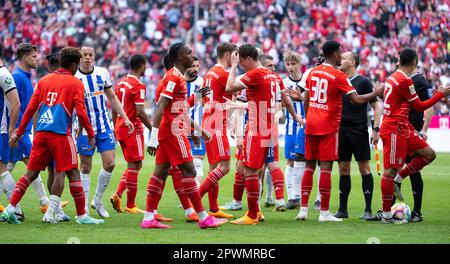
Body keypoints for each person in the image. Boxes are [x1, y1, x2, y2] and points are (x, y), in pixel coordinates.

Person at [2, 47, 104, 225]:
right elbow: (81, 111)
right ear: (73, 65)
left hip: (41, 134)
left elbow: (31, 109)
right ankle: (80, 215)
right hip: (61, 135)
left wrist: (19, 131)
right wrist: (91, 133)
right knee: (71, 173)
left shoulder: (44, 80)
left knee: (30, 174)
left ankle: (11, 209)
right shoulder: (75, 83)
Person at [296, 40, 382, 222]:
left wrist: (308, 116)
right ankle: (324, 213)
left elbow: (307, 98)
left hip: (311, 124)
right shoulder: (338, 76)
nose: (341, 56)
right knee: (326, 167)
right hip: (328, 126)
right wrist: (377, 92)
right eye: (340, 53)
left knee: (309, 166)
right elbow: (357, 100)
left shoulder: (312, 72)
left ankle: (303, 210)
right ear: (335, 54)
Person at [143, 42, 226, 229]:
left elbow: (177, 108)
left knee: (161, 173)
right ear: (180, 57)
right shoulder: (174, 78)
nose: (192, 55)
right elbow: (161, 107)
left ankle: (148, 218)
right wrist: (153, 139)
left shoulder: (174, 77)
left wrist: (195, 124)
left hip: (172, 129)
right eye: (189, 53)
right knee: (190, 171)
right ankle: (204, 218)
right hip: (172, 131)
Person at [225, 44, 303, 225]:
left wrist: (233, 66)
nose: (242, 65)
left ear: (248, 59)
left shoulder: (255, 74)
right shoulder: (275, 76)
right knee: (261, 167)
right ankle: (258, 211)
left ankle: (252, 214)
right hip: (270, 128)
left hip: (256, 128)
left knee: (249, 170)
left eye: (242, 62)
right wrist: (295, 116)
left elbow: (229, 87)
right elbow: (287, 100)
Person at [378, 48, 450, 224]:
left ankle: (400, 177)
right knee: (388, 172)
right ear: (414, 62)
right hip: (394, 128)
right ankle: (387, 215)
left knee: (429, 154)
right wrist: (442, 93)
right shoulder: (403, 80)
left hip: (404, 126)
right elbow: (419, 106)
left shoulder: (392, 77)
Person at [75, 46, 133, 218]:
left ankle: (97, 201)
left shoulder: (102, 73)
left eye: (90, 55)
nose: (87, 58)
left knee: (110, 163)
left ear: (94, 56)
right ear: (79, 58)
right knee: (85, 167)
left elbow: (112, 97)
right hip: (84, 128)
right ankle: (84, 207)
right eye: (84, 55)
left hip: (104, 125)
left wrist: (125, 117)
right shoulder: (75, 78)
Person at [334, 51, 382, 220]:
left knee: (364, 168)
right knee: (343, 169)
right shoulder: (337, 79)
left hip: (359, 130)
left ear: (352, 62)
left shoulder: (362, 82)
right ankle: (342, 210)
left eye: (344, 58)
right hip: (340, 131)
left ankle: (368, 209)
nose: (341, 60)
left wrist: (376, 129)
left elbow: (377, 106)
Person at [8, 43, 52, 214]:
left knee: (8, 166)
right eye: (34, 57)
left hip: (22, 130)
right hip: (20, 131)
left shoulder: (25, 76)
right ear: (25, 57)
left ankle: (43, 202)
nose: (37, 59)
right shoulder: (17, 77)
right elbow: (13, 105)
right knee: (34, 165)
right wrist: (16, 131)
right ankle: (44, 202)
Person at [198, 42, 237, 220]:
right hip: (216, 124)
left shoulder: (209, 73)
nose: (235, 59)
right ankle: (195, 201)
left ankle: (213, 209)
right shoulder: (223, 74)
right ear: (228, 56)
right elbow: (236, 87)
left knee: (214, 167)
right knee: (225, 166)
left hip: (208, 121)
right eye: (235, 55)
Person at [391, 70, 435, 222]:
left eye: (398, 60)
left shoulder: (420, 81)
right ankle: (388, 211)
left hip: (413, 129)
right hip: (399, 128)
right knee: (394, 168)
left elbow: (430, 106)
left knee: (413, 171)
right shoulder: (400, 79)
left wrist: (423, 130)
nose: (396, 63)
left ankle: (417, 212)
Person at [109, 54, 150, 215]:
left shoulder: (120, 83)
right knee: (135, 165)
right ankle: (130, 204)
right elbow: (140, 112)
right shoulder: (138, 85)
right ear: (141, 66)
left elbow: (114, 106)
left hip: (120, 126)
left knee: (134, 165)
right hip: (132, 128)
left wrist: (114, 125)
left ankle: (118, 195)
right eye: (145, 65)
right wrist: (153, 129)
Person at [0, 43, 22, 218]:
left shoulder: (4, 74)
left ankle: (17, 209)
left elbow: (16, 104)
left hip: (1, 131)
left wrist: (11, 129)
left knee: (2, 169)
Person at [281, 51, 305, 210]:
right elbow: (280, 103)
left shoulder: (307, 80)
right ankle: (292, 196)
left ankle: (315, 198)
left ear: (299, 64)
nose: (290, 67)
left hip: (309, 124)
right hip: (291, 126)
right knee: (290, 161)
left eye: (293, 64)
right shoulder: (283, 83)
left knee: (310, 161)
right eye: (288, 64)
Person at [185, 57, 205, 187]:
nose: (196, 69)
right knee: (184, 166)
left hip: (197, 129)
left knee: (198, 164)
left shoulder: (202, 83)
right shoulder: (178, 82)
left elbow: (207, 104)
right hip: (180, 130)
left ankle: (195, 197)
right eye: (193, 66)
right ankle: (188, 198)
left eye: (198, 66)